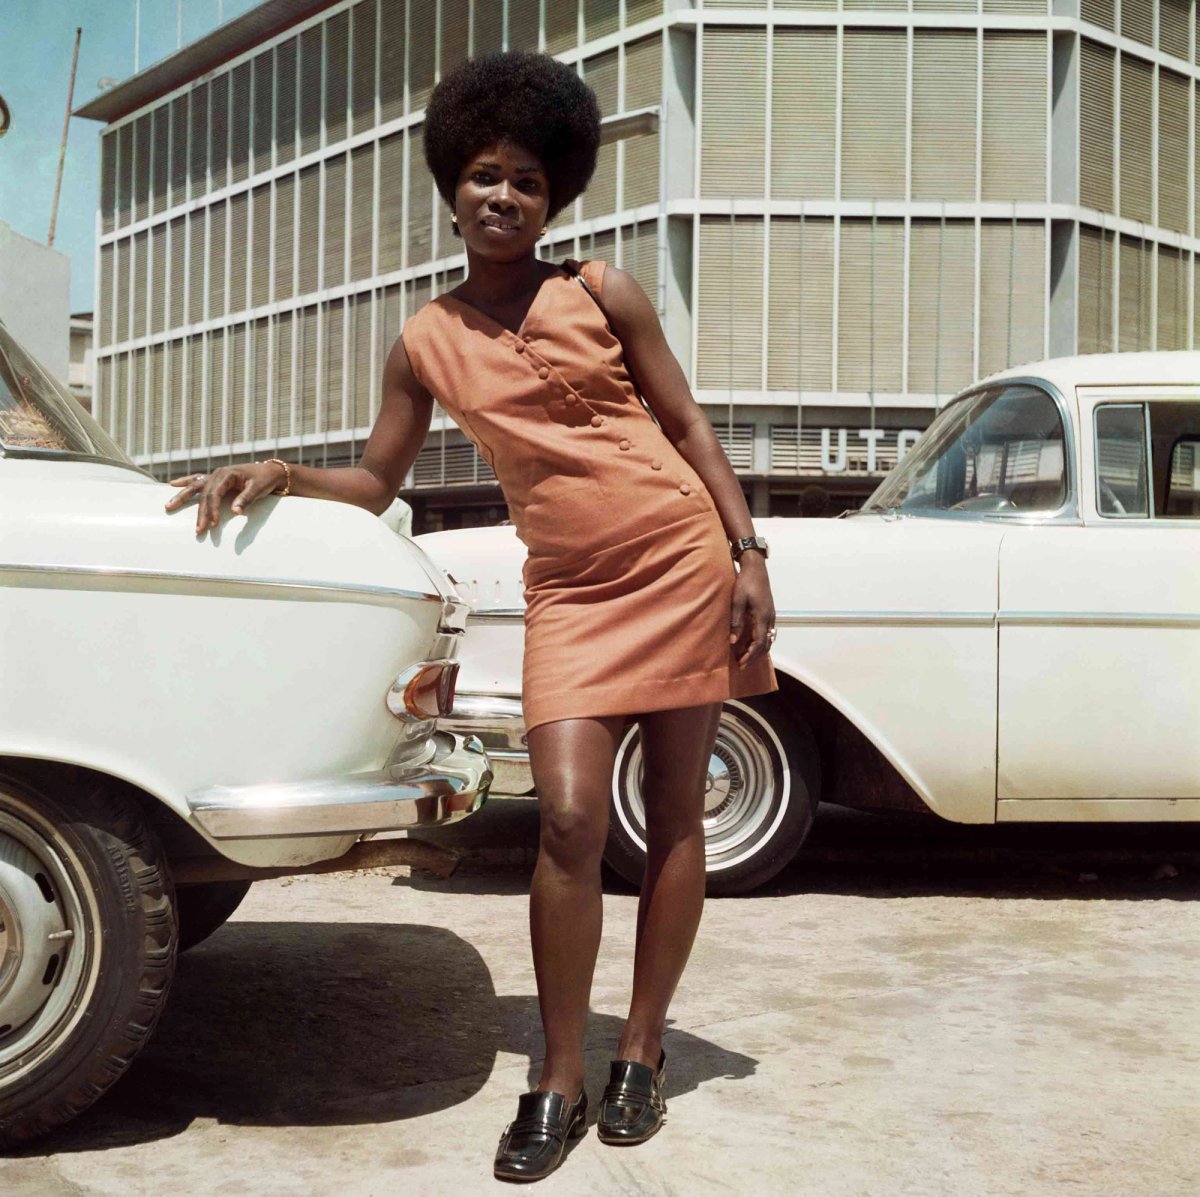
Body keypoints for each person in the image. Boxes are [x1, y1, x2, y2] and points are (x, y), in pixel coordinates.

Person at [165, 50, 778, 1183]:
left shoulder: (601, 289)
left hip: (682, 559)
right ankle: (558, 1072)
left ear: (557, 198)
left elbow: (688, 427)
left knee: (680, 815)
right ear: (454, 183)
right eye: (487, 175)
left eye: (530, 183)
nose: (505, 197)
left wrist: (747, 551)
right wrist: (282, 474)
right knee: (570, 822)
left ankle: (640, 1050)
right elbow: (379, 481)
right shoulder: (423, 341)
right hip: (570, 593)